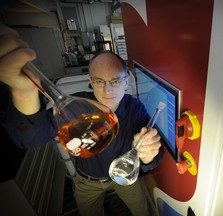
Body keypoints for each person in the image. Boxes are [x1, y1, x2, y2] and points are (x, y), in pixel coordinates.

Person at [0, 24, 163, 216]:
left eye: (116, 81)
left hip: (123, 176)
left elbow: (150, 157)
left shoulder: (136, 108)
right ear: (91, 81)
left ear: (126, 81)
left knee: (144, 212)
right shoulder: (76, 107)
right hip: (88, 182)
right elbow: (30, 138)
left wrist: (148, 155)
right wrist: (24, 91)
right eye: (100, 81)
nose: (107, 90)